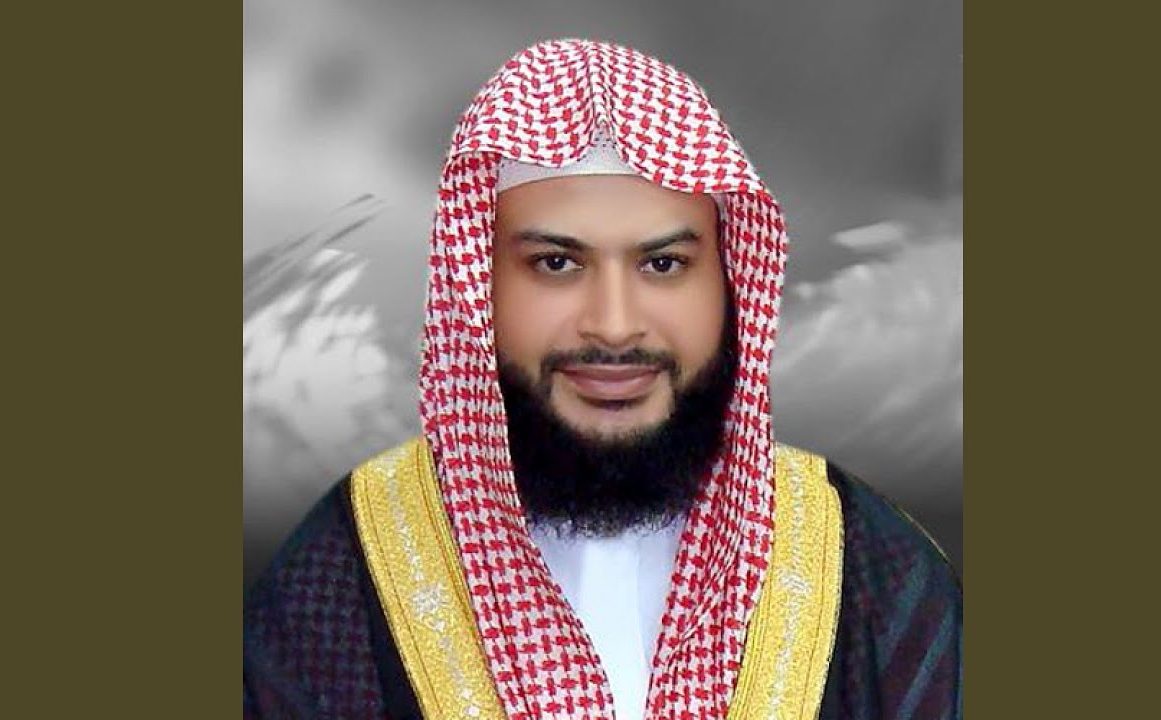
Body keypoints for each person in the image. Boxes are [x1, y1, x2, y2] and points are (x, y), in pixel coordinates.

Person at [244, 39, 961, 720]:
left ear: (729, 283)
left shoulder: (873, 568)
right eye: (557, 264)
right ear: (477, 286)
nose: (614, 327)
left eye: (663, 265)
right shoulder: (341, 569)